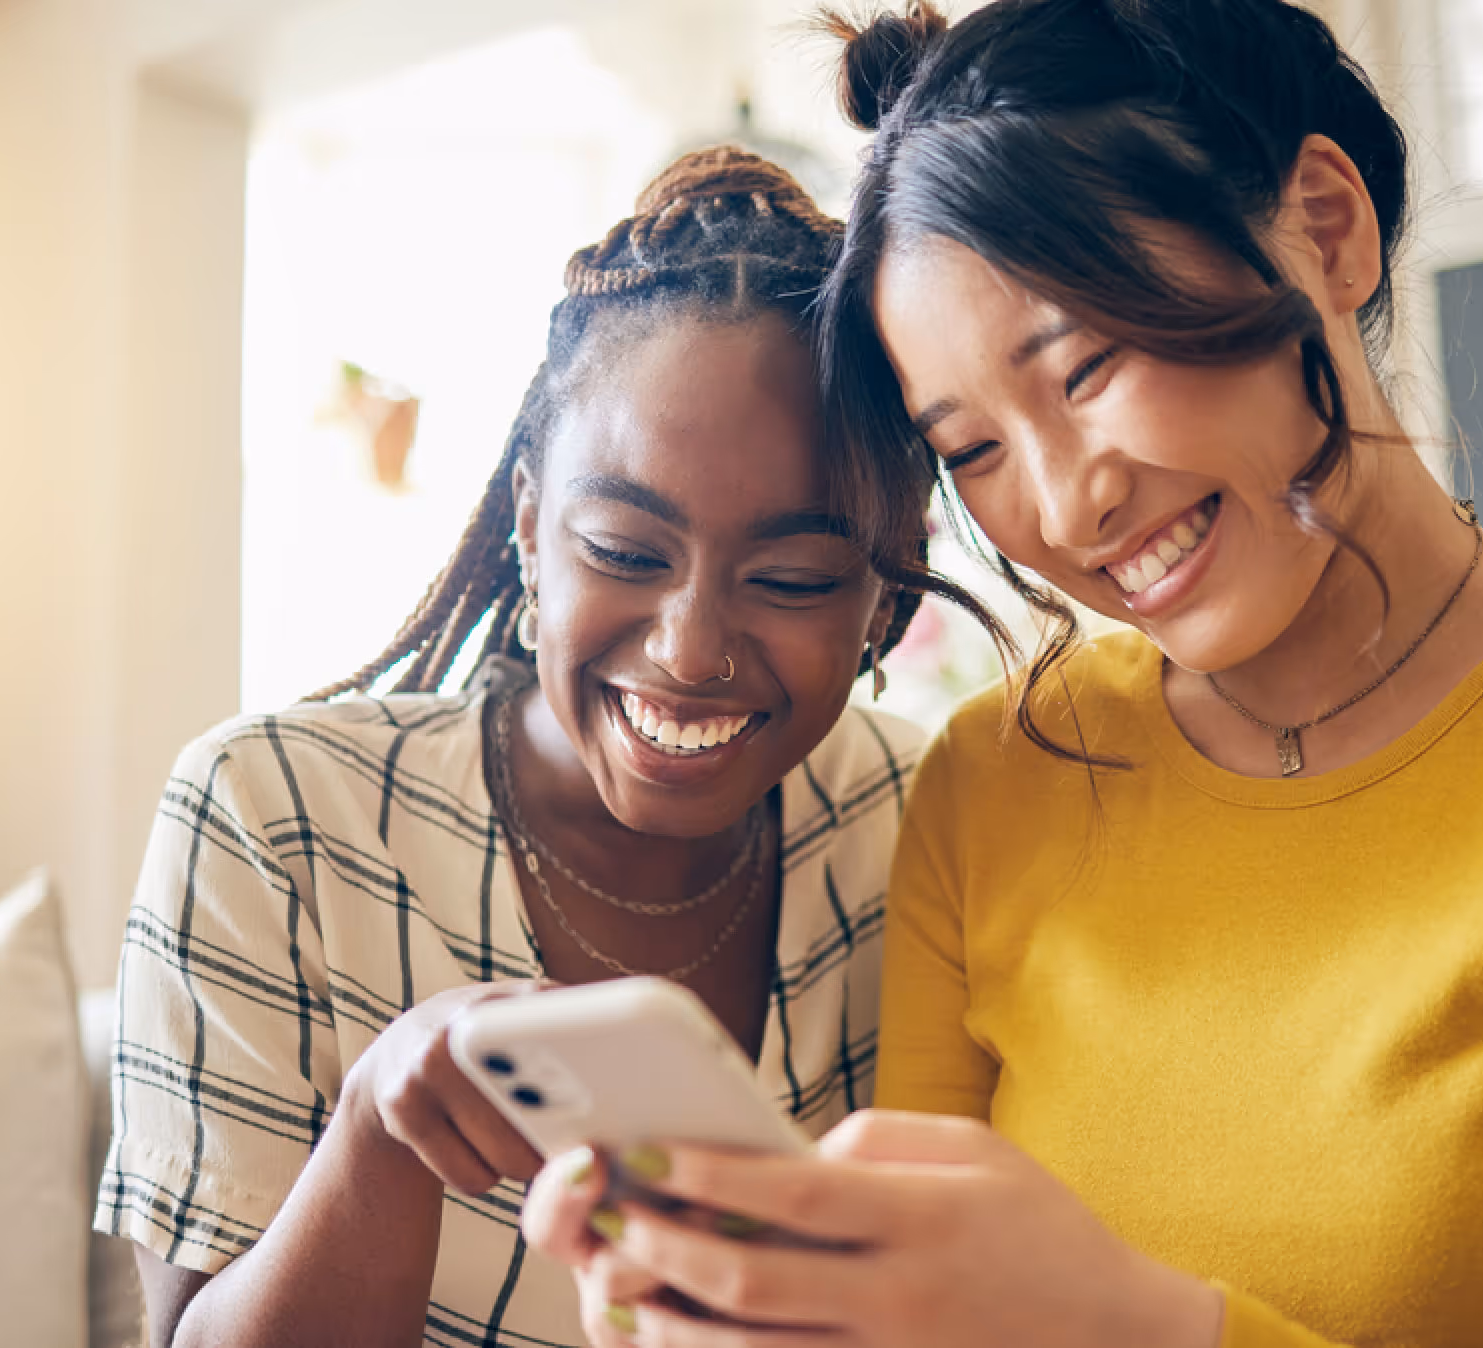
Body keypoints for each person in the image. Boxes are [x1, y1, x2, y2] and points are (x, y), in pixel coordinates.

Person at [519, 3, 1483, 1345]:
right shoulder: (1000, 776)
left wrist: (1133, 1321)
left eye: (1084, 367)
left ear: (1326, 229)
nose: (1067, 507)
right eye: (973, 450)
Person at [96, 147, 1003, 1348]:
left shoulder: (916, 822)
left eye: (790, 578)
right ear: (529, 527)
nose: (688, 652)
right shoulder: (270, 816)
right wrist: (377, 1126)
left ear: (884, 596)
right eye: (626, 552)